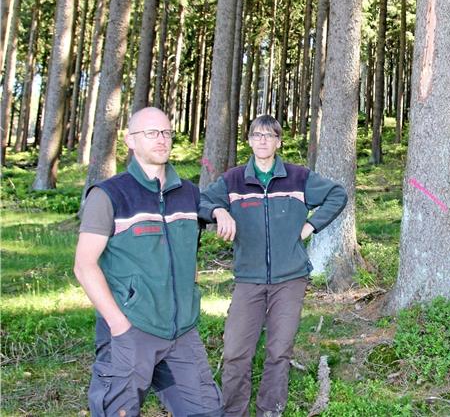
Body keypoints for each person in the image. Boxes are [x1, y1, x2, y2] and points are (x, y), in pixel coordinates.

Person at [74, 107, 223, 417]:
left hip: (181, 330)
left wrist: (220, 212)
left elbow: (192, 244)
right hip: (132, 328)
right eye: (151, 133)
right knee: (118, 411)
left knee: (207, 410)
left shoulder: (189, 194)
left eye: (166, 132)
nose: (161, 139)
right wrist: (118, 324)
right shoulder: (110, 195)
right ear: (130, 140)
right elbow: (84, 265)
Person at [200, 114, 347, 417]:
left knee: (279, 351)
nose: (262, 140)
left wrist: (311, 226)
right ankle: (232, 412)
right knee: (236, 352)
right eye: (256, 135)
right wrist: (218, 211)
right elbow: (199, 203)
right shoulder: (234, 180)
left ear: (279, 141)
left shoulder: (297, 177)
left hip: (290, 279)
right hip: (248, 279)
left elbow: (337, 194)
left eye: (269, 135)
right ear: (250, 140)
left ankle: (270, 410)